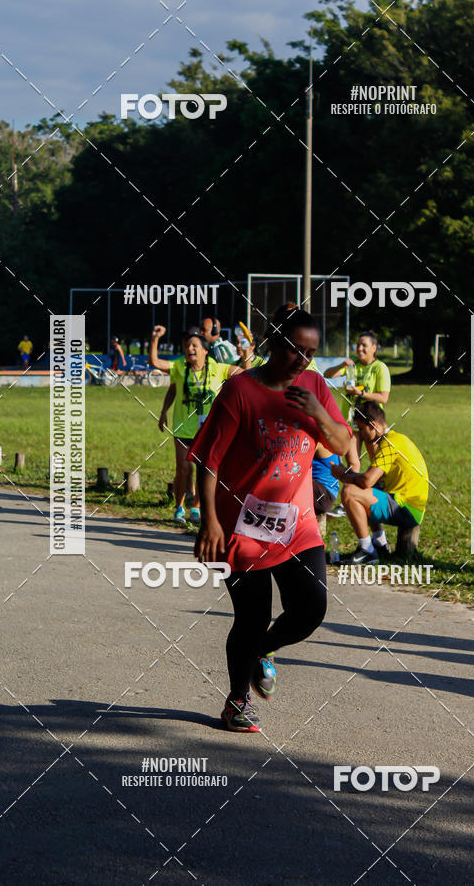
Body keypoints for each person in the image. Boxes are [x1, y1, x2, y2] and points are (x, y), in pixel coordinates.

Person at [187, 307, 351, 732]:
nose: (303, 360)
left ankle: (261, 651)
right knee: (251, 616)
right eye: (296, 349)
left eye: (311, 352)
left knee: (311, 608)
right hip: (241, 526)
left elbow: (341, 441)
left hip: (297, 524)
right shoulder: (240, 390)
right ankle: (237, 700)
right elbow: (208, 461)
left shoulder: (314, 385)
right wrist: (210, 522)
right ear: (272, 342)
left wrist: (319, 411)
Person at [150, 325, 241, 525]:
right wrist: (155, 338)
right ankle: (178, 507)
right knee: (183, 469)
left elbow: (245, 375)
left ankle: (197, 508)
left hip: (208, 430)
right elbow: (155, 362)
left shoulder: (218, 368)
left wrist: (246, 354)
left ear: (205, 350)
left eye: (194, 345)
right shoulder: (180, 367)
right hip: (183, 428)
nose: (190, 348)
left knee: (204, 470)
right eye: (187, 345)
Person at [331, 401, 428, 564]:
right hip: (409, 505)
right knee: (365, 488)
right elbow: (372, 481)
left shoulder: (389, 443)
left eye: (362, 429)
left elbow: (367, 480)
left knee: (349, 491)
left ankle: (367, 549)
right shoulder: (394, 438)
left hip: (407, 508)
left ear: (373, 425)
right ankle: (380, 543)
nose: (360, 434)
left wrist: (343, 475)